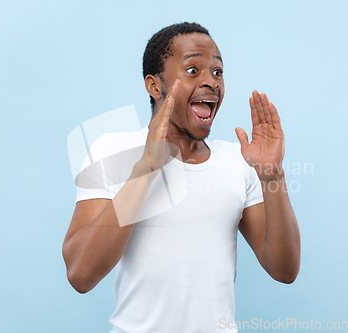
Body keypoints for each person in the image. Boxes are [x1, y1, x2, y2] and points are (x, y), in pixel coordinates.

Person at [62, 22, 300, 333]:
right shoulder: (113, 150)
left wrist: (271, 176)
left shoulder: (239, 161)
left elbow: (284, 270)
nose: (211, 82)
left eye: (217, 72)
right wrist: (145, 168)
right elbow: (81, 274)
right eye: (192, 70)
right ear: (154, 86)